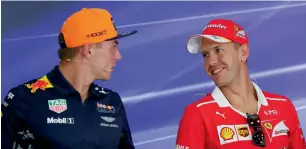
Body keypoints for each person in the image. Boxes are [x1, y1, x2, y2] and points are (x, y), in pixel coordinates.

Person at [1, 8, 137, 149]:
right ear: (88, 50)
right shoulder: (25, 98)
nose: (118, 56)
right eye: (113, 47)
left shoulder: (112, 102)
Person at [175, 19, 306, 149]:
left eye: (218, 50)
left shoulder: (283, 106)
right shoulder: (197, 114)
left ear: (243, 52)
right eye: (205, 55)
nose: (211, 62)